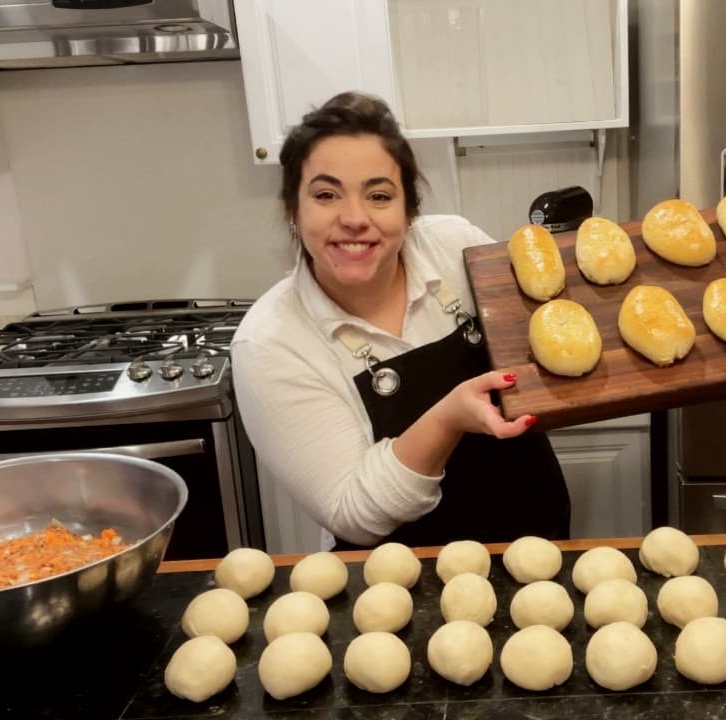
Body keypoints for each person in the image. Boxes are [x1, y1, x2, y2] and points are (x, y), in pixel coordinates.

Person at [232, 91, 571, 550]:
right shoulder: (271, 343)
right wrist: (448, 419)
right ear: (294, 209)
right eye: (327, 194)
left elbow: (539, 342)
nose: (354, 219)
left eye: (378, 195)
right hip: (404, 585)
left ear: (409, 211)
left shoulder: (456, 248)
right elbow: (355, 515)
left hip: (538, 542)